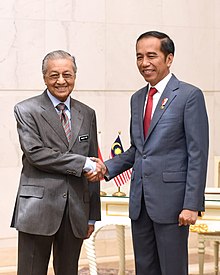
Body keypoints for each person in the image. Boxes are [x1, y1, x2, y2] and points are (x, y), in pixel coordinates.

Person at [86, 31, 209, 275]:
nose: (144, 63)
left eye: (152, 56)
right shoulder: (137, 98)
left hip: (173, 205)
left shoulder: (188, 96)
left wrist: (191, 204)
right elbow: (138, 151)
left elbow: (198, 153)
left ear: (169, 58)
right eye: (139, 57)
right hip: (140, 203)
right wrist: (106, 167)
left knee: (172, 270)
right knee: (145, 269)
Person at [11, 50, 103, 275]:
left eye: (67, 74)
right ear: (44, 77)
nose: (61, 81)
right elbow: (36, 153)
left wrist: (92, 215)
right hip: (37, 210)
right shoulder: (26, 110)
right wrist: (83, 164)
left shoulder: (87, 113)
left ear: (75, 76)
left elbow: (93, 162)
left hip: (76, 212)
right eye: (54, 75)